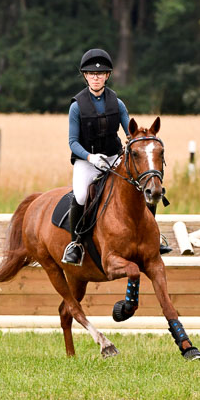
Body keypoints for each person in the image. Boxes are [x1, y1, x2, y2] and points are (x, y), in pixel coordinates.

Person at [62, 48, 130, 265]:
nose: (96, 77)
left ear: (107, 76)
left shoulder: (117, 103)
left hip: (113, 158)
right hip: (88, 161)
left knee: (140, 186)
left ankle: (153, 235)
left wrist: (135, 141)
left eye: (100, 74)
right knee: (81, 196)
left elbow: (130, 132)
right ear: (85, 76)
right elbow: (73, 142)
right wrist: (91, 158)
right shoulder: (76, 106)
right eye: (91, 74)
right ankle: (76, 243)